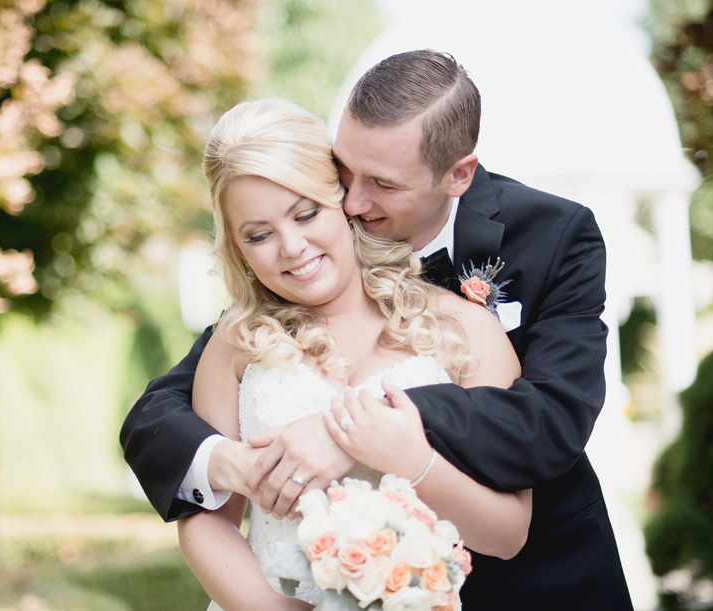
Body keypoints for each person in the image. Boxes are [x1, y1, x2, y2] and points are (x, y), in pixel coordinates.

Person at [121, 50, 633, 610]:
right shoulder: (247, 331)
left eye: (381, 185)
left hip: (536, 579)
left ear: (458, 174)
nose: (355, 202)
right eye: (344, 175)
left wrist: (364, 428)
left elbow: (551, 421)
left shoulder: (539, 253)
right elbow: (169, 418)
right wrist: (225, 463)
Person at [178, 97, 529, 610]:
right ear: (237, 249)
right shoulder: (235, 343)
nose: (292, 246)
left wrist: (410, 459)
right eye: (258, 235)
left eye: (306, 213)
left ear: (343, 198)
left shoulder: (464, 330)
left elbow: (508, 533)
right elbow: (206, 518)